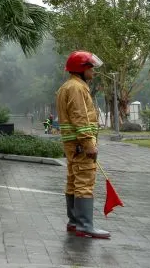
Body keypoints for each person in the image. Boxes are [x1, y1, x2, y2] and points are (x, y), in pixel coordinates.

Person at [56, 50, 109, 239]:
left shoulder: (66, 87)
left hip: (71, 145)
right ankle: (85, 225)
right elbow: (80, 118)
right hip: (81, 145)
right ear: (81, 69)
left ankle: (74, 222)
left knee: (73, 181)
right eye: (90, 68)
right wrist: (89, 144)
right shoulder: (78, 88)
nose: (93, 72)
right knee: (85, 182)